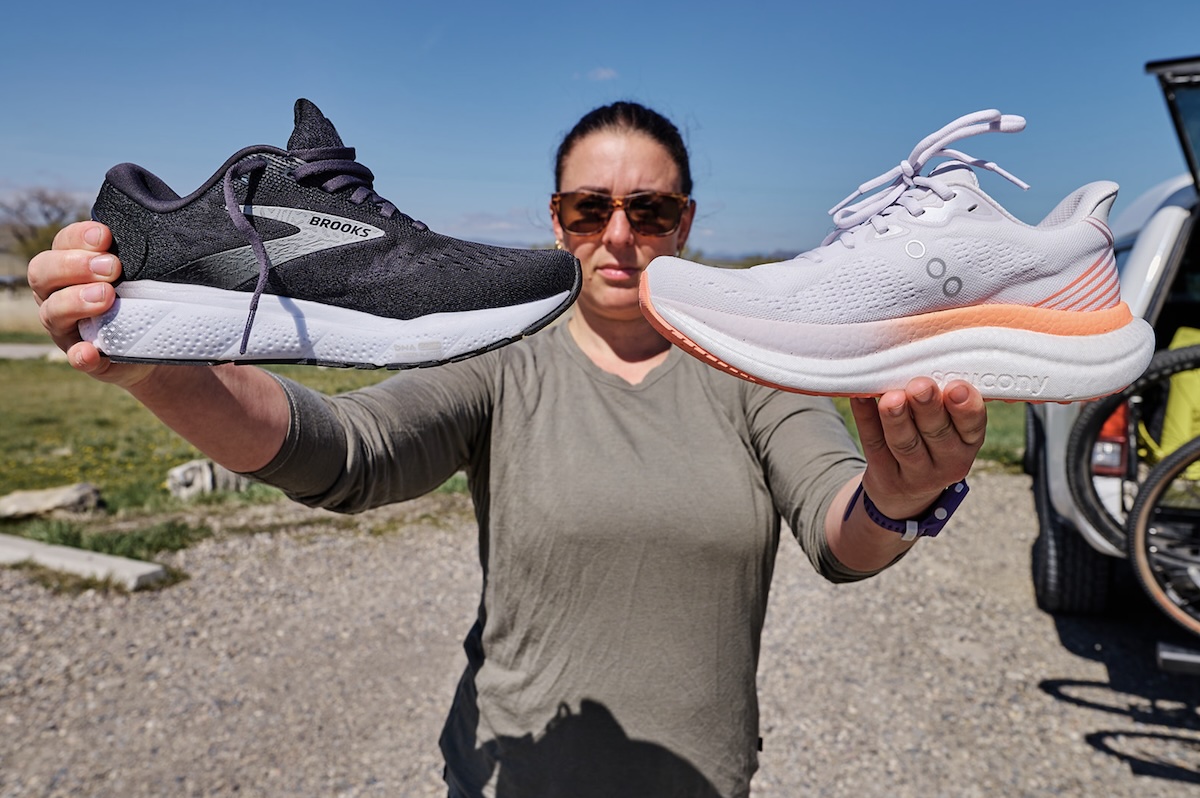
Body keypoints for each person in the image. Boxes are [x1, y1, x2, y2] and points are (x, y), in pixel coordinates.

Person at [28, 101, 986, 797]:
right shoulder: (500, 350)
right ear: (556, 218)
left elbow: (838, 529)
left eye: (649, 212)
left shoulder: (751, 367)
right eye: (588, 210)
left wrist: (901, 494)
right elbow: (350, 451)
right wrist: (163, 372)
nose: (619, 237)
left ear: (685, 224)